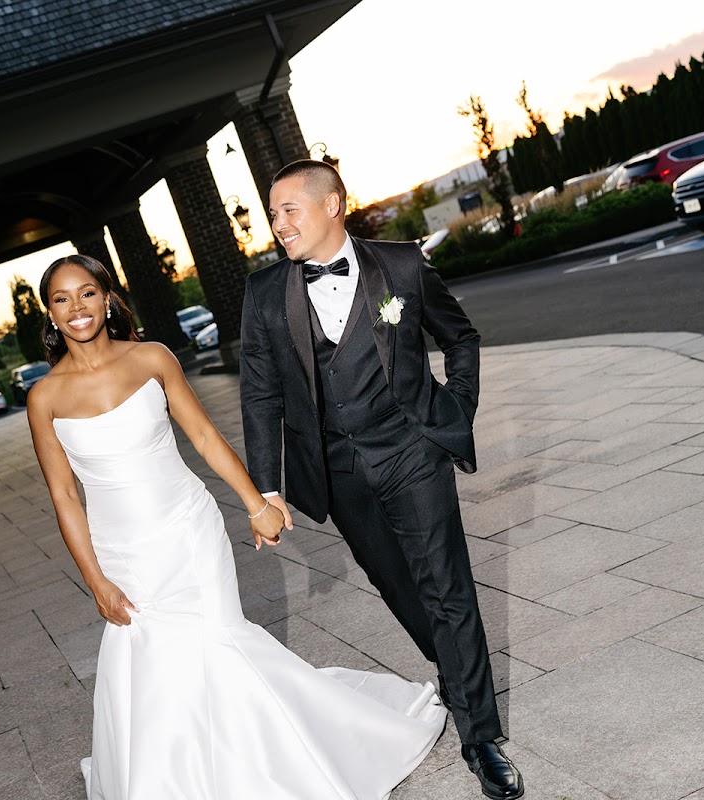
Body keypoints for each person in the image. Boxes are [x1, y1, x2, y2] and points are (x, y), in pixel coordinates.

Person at [27, 253, 447, 799]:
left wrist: (255, 502)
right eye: (61, 299)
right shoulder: (44, 398)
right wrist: (95, 581)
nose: (76, 307)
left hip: (187, 529)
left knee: (219, 643)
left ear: (107, 298)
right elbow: (64, 496)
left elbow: (204, 437)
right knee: (153, 668)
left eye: (86, 292)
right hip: (123, 553)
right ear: (50, 313)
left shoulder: (152, 358)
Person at [238, 160, 524, 800]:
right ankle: (453, 667)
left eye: (289, 210)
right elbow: (260, 395)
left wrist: (456, 409)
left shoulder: (401, 265)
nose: (278, 224)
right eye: (273, 213)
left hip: (411, 452)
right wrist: (267, 489)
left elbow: (460, 337)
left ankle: (480, 736)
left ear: (332, 205)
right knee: (397, 584)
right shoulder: (264, 294)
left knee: (447, 587)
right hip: (336, 471)